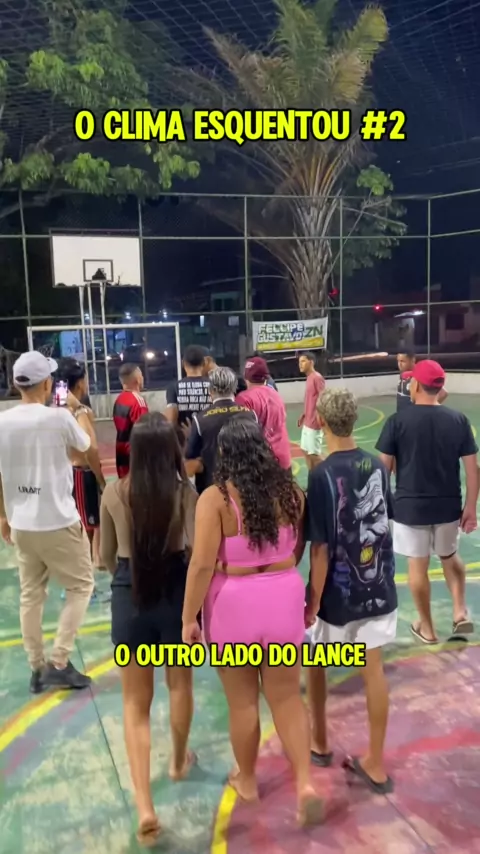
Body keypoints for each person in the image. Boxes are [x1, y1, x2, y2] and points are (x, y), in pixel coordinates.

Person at [182, 417, 322, 825]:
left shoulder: (215, 499)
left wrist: (189, 617)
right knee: (287, 699)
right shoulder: (292, 493)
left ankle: (247, 780)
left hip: (234, 605)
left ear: (223, 454)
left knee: (243, 703)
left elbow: (201, 565)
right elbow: (297, 549)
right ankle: (304, 784)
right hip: (283, 599)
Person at [100, 413, 197, 846]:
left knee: (135, 705)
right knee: (180, 685)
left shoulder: (114, 493)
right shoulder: (186, 494)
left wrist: (124, 574)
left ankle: (144, 806)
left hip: (131, 596)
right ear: (173, 451)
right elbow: (196, 553)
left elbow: (105, 557)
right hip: (176, 597)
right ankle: (177, 761)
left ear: (135, 453)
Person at [305, 387, 397, 794]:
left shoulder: (321, 474)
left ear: (322, 422)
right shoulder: (377, 465)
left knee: (317, 662)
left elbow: (320, 549)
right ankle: (375, 762)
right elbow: (384, 520)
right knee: (373, 669)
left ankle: (320, 741)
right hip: (378, 587)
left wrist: (312, 598)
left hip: (338, 597)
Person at [0, 351, 95, 692]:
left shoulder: (2, 422)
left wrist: (3, 516)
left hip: (22, 523)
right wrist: (78, 409)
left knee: (31, 595)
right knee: (81, 586)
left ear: (16, 384)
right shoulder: (59, 417)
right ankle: (59, 661)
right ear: (46, 384)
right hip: (57, 520)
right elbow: (87, 445)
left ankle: (37, 667)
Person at [376, 359, 477, 643]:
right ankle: (459, 612)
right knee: (449, 555)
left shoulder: (397, 422)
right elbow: (472, 469)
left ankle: (428, 628)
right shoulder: (458, 420)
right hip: (448, 506)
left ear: (416, 385)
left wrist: (382, 509)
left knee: (417, 566)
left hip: (411, 508)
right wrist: (470, 507)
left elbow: (383, 471)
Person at [57, 359, 106, 570]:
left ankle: (95, 558)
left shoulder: (55, 408)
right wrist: (101, 480)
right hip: (81, 472)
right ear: (79, 383)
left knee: (88, 523)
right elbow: (91, 449)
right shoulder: (80, 412)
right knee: (87, 525)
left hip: (65, 473)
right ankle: (89, 564)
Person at [185, 366, 255, 492]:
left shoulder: (200, 420)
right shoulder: (251, 415)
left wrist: (189, 437)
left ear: (210, 390)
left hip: (212, 487)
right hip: (245, 486)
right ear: (234, 388)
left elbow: (190, 455)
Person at [236, 357, 291, 469]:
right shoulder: (276, 395)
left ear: (246, 376)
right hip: (283, 459)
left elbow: (242, 434)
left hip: (261, 462)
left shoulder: (244, 398)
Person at [113, 363, 149, 478]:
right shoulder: (138, 401)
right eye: (141, 375)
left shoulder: (119, 399)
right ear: (138, 379)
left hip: (121, 454)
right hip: (135, 457)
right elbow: (144, 433)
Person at [165, 345, 210, 427]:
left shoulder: (174, 387)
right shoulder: (214, 385)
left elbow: (171, 420)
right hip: (210, 433)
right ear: (204, 363)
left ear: (183, 363)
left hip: (184, 433)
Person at [298, 352, 325, 469]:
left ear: (311, 362)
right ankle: (313, 476)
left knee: (314, 455)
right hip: (307, 421)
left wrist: (319, 417)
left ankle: (330, 472)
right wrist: (304, 414)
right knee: (305, 451)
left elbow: (323, 398)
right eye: (299, 362)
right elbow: (311, 399)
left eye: (303, 361)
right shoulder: (309, 378)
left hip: (314, 423)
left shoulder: (317, 377)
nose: (300, 364)